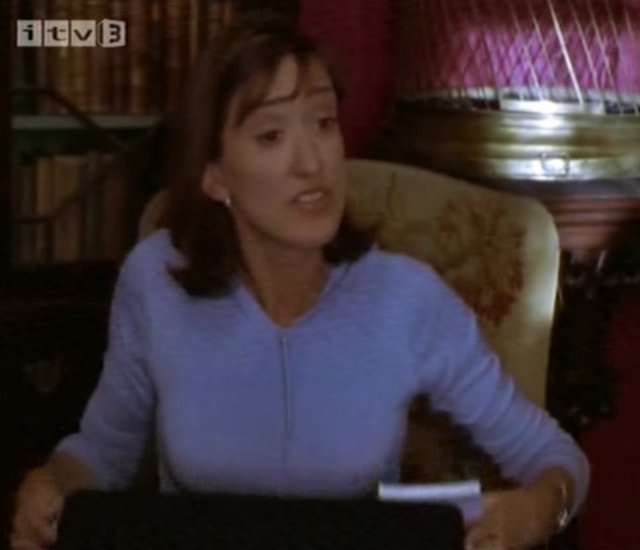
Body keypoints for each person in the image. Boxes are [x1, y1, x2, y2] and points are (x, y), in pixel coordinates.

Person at [10, 14, 589, 550]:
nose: (312, 163)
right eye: (271, 136)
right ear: (215, 177)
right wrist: (52, 483)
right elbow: (103, 453)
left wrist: (543, 508)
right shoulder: (154, 280)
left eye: (323, 123)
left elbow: (552, 456)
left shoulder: (406, 299)